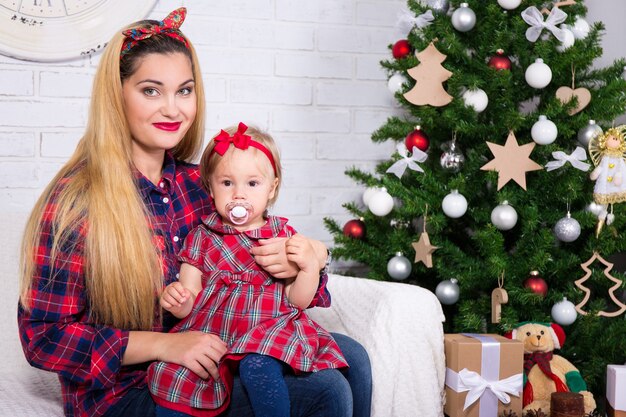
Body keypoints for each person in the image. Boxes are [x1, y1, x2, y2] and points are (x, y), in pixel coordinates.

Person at [17, 7, 371, 417]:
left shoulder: (200, 186)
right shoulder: (75, 203)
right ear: (117, 95)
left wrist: (310, 258)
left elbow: (258, 268)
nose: (173, 109)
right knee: (326, 391)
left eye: (184, 90)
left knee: (355, 361)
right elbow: (43, 338)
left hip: (218, 344)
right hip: (127, 391)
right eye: (151, 90)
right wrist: (166, 344)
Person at [149, 123, 349, 417]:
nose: (239, 195)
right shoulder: (202, 237)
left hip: (267, 330)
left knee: (261, 365)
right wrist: (179, 300)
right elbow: (190, 293)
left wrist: (308, 267)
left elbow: (298, 300)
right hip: (216, 330)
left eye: (252, 184)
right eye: (227, 183)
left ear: (272, 188)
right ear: (210, 188)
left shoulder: (283, 235)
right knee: (177, 379)